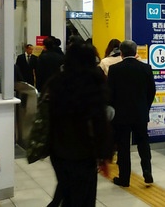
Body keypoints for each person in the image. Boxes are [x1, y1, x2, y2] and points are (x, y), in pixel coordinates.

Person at [46, 42, 113, 206]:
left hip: (58, 151)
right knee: (84, 198)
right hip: (83, 153)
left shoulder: (56, 82)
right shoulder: (93, 83)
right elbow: (99, 123)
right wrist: (104, 155)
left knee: (66, 191)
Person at [108, 40, 156, 187]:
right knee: (143, 142)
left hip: (121, 114)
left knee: (123, 146)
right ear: (136, 52)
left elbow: (110, 93)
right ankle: (147, 171)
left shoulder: (114, 69)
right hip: (140, 113)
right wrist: (145, 107)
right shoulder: (146, 68)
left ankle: (124, 178)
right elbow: (151, 91)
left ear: (121, 53)